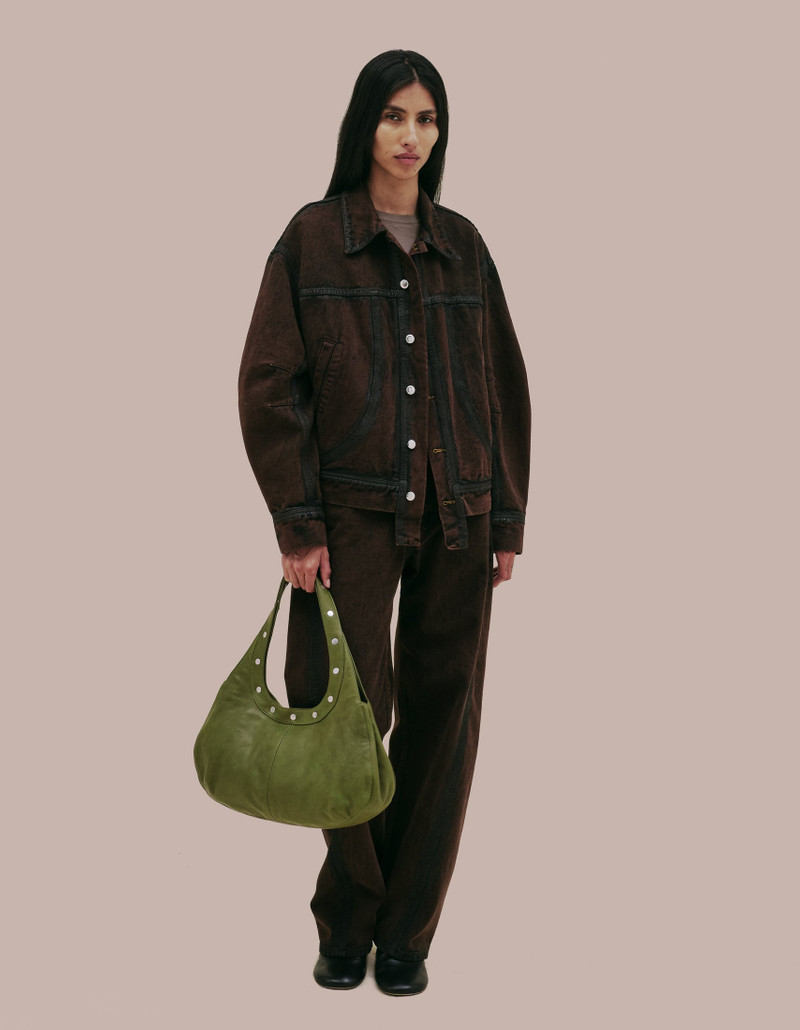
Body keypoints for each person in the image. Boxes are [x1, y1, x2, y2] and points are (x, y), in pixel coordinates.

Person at [238, 50, 531, 996]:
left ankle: (407, 931)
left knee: (444, 721)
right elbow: (270, 385)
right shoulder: (312, 240)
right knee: (339, 709)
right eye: (394, 116)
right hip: (351, 518)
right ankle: (352, 909)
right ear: (364, 124)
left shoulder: (464, 246)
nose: (411, 136)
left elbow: (501, 383)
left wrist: (506, 516)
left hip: (459, 515)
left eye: (427, 119)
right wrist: (298, 521)